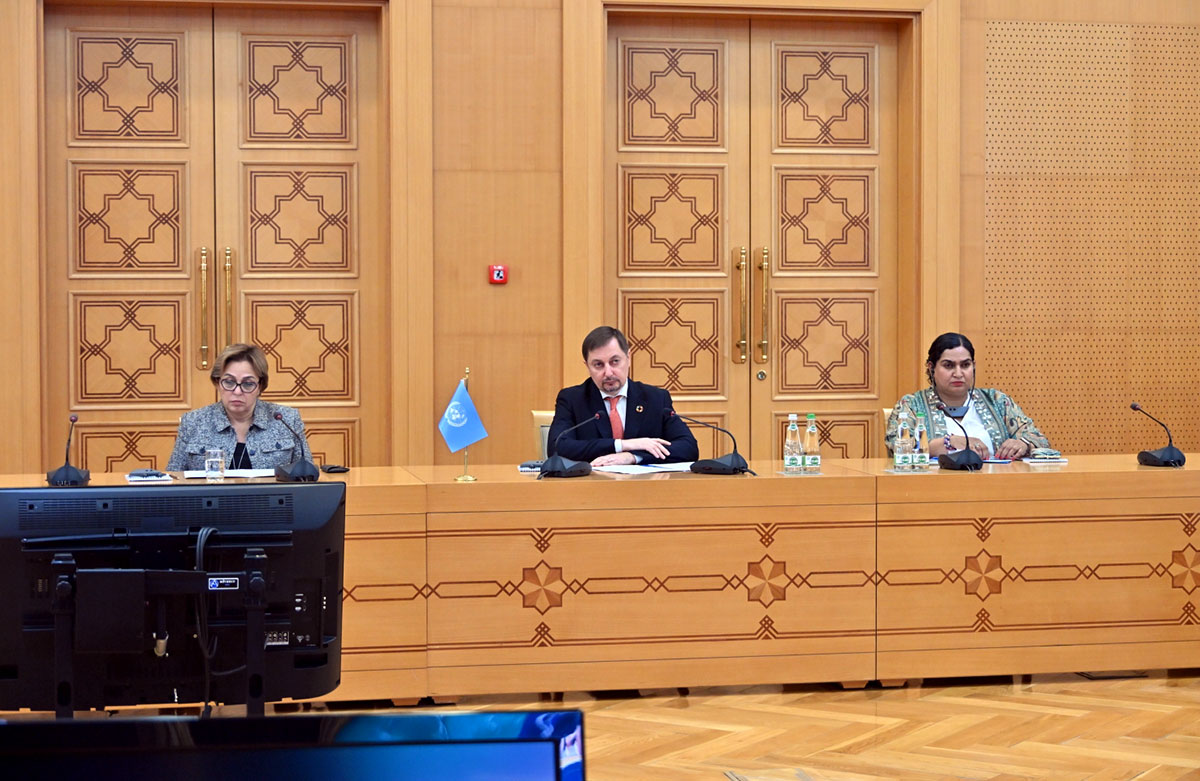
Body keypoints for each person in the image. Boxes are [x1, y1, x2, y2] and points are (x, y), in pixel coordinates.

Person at [548, 326, 698, 466]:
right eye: (598, 365)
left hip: (645, 484)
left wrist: (633, 456)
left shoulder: (656, 398)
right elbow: (557, 447)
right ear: (587, 366)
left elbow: (688, 448)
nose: (608, 373)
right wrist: (622, 445)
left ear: (628, 358)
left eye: (615, 362)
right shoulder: (572, 399)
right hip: (593, 483)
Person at [885, 332, 1050, 460]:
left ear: (973, 366)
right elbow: (896, 447)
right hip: (934, 487)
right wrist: (948, 443)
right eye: (948, 365)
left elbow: (1040, 440)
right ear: (931, 368)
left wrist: (1023, 444)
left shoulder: (997, 401)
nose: (958, 373)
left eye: (965, 365)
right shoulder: (911, 405)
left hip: (997, 485)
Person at [166, 343, 312, 471]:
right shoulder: (193, 422)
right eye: (229, 382)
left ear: (260, 386)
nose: (237, 391)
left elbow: (307, 477)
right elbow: (174, 479)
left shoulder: (286, 419)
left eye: (248, 384)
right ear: (217, 383)